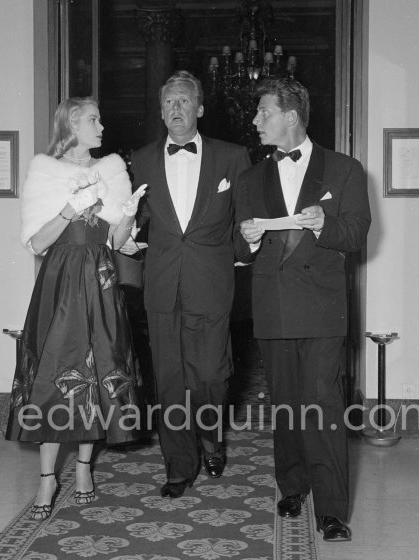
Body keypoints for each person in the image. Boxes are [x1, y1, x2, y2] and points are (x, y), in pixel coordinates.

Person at [237, 78, 371, 542]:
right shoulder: (251, 178)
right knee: (286, 403)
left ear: (291, 116)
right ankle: (291, 487)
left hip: (321, 307)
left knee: (324, 404)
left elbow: (355, 235)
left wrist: (325, 225)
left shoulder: (345, 169)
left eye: (263, 112)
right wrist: (249, 239)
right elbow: (236, 243)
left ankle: (332, 509)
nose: (256, 121)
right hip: (273, 306)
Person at [5, 97, 147, 520]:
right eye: (93, 120)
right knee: (57, 372)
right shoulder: (46, 172)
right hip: (62, 282)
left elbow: (117, 243)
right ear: (71, 124)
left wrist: (127, 215)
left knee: (100, 370)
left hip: (101, 281)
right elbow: (36, 242)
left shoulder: (111, 172)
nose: (102, 126)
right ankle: (47, 477)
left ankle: (83, 467)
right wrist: (70, 208)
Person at [130, 70, 252, 498]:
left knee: (211, 377)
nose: (175, 109)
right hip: (162, 285)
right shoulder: (141, 160)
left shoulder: (232, 157)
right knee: (169, 379)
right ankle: (179, 467)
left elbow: (243, 219)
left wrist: (243, 250)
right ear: (161, 111)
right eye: (168, 103)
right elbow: (136, 222)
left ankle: (211, 435)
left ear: (199, 108)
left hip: (212, 282)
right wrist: (124, 237)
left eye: (183, 101)